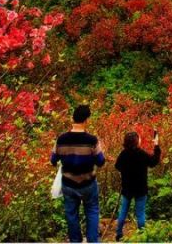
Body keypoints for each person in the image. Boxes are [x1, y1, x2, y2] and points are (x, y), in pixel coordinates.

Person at [51, 104, 106, 243]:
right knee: (92, 211)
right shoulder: (92, 140)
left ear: (72, 118)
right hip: (88, 183)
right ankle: (93, 240)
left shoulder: (61, 139)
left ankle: (75, 240)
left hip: (69, 184)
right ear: (86, 120)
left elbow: (53, 160)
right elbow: (100, 162)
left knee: (71, 214)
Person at [113, 130, 162, 240]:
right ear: (136, 141)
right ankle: (142, 236)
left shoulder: (123, 154)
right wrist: (156, 146)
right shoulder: (141, 154)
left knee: (123, 212)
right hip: (140, 189)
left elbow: (117, 166)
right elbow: (153, 162)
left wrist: (125, 171)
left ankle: (119, 234)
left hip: (127, 189)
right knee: (140, 214)